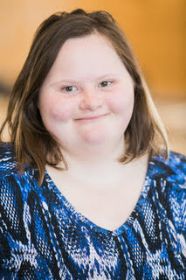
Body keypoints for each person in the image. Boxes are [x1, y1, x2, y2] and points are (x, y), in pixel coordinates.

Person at [0, 8, 185, 279]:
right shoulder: (6, 183)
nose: (91, 101)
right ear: (35, 98)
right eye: (69, 88)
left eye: (106, 83)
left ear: (135, 86)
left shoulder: (180, 181)